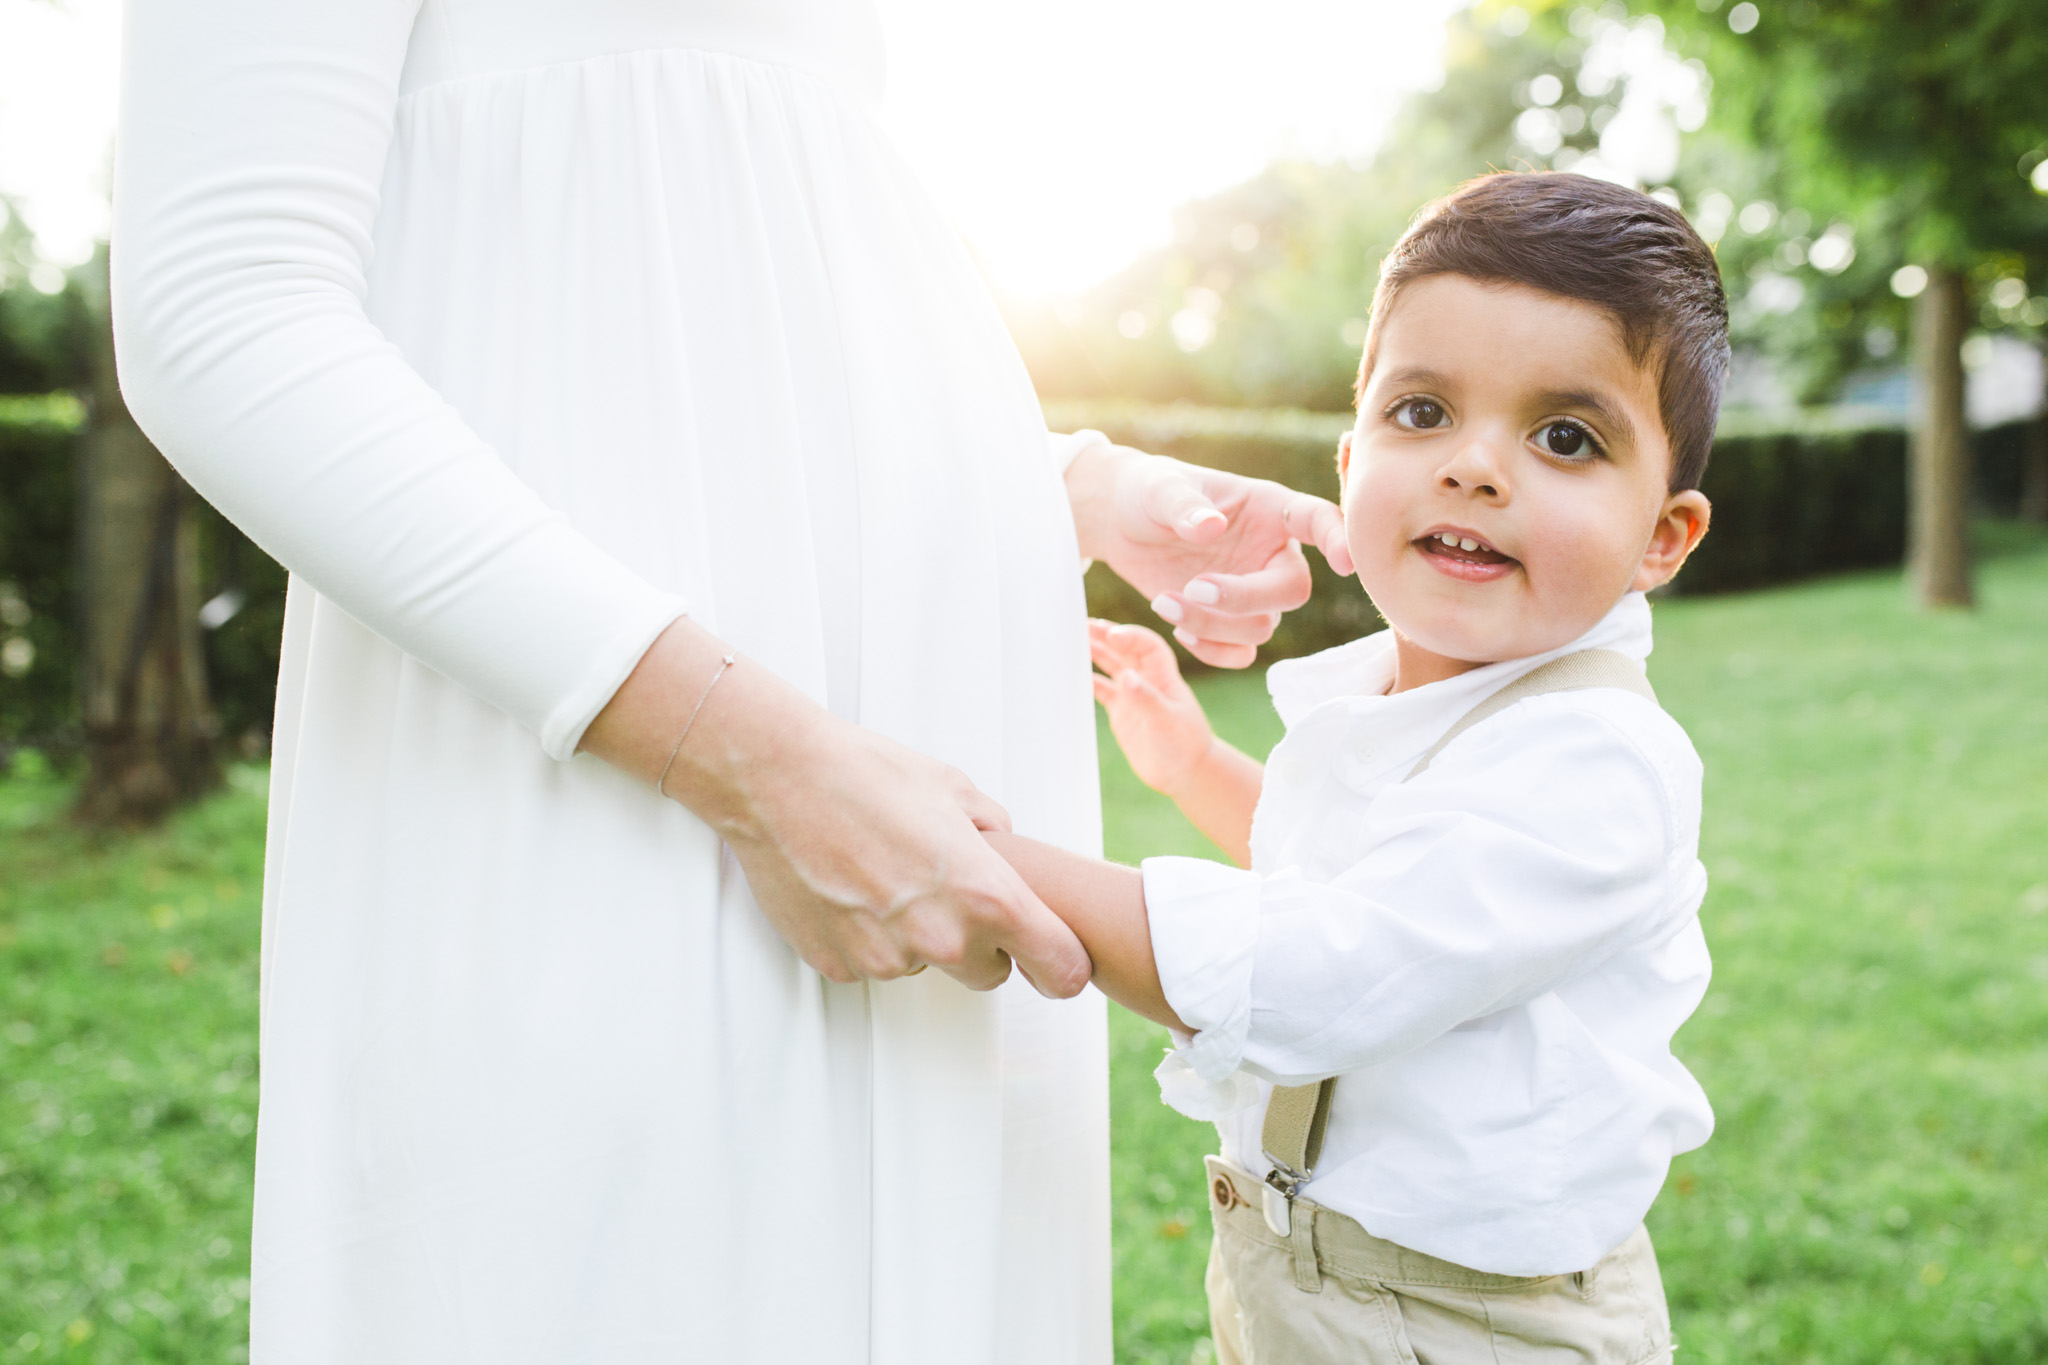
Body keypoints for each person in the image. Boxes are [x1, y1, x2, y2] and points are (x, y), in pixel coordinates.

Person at [109, 3, 1352, 1361]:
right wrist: (748, 756)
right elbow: (223, 311)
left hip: (898, 788)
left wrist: (1065, 487)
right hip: (610, 761)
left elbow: (739, 286)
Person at [987, 172, 1727, 1362]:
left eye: (1562, 436)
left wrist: (975, 858)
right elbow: (1348, 884)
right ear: (1346, 461)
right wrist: (1193, 765)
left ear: (1661, 536)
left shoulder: (1596, 765)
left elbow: (1325, 975)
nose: (1475, 466)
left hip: (1471, 1323)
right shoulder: (1399, 697)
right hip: (1301, 1278)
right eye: (1422, 413)